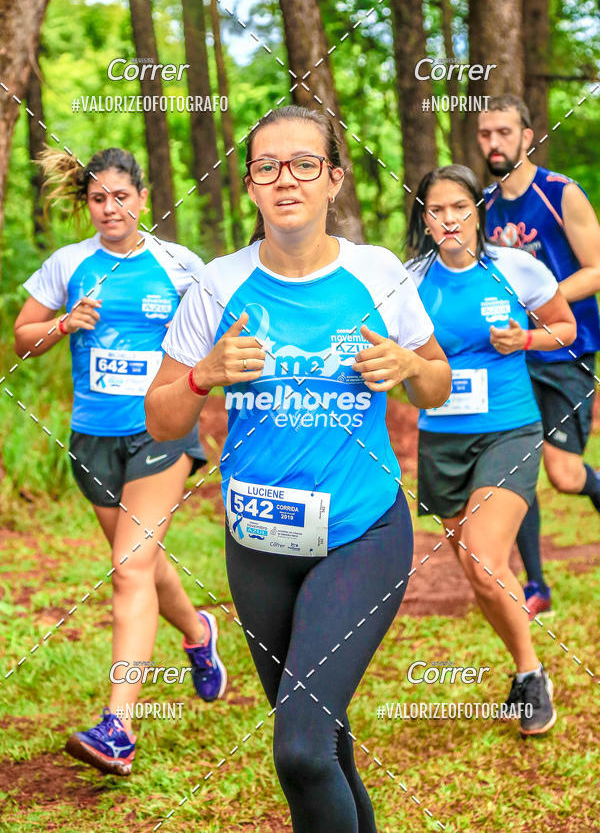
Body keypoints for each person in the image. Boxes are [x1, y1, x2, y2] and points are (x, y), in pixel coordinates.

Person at [145, 105, 451, 832]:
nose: (286, 179)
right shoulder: (217, 285)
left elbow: (437, 385)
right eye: (267, 166)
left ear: (333, 180)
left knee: (302, 751)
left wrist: (408, 363)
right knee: (327, 739)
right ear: (251, 185)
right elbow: (161, 420)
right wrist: (204, 375)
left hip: (361, 533)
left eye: (304, 164)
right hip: (258, 545)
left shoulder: (377, 273)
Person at [14, 148, 226, 776]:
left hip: (159, 432)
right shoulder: (70, 265)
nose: (111, 208)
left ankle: (118, 727)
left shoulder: (178, 264)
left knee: (128, 569)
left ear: (143, 199)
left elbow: (223, 321)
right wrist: (62, 325)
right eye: (99, 198)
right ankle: (197, 633)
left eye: (121, 196)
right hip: (93, 438)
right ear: (89, 204)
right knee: (141, 561)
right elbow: (25, 335)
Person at [406, 164, 576, 736]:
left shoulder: (516, 268)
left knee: (483, 557)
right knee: (479, 574)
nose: (449, 219)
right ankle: (524, 669)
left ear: (477, 212)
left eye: (459, 207)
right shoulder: (408, 282)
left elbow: (566, 328)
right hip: (441, 439)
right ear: (425, 220)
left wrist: (525, 338)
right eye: (437, 210)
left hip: (510, 429)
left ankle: (531, 672)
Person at [478, 94, 600, 618]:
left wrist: (538, 305)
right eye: (485, 134)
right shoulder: (481, 204)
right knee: (515, 468)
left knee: (565, 475)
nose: (494, 143)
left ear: (527, 137)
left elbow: (596, 270)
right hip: (510, 356)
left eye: (504, 132)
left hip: (567, 350)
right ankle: (536, 585)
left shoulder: (560, 194)